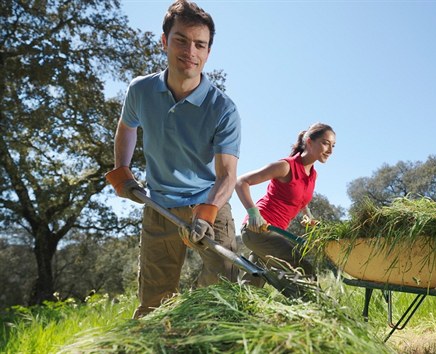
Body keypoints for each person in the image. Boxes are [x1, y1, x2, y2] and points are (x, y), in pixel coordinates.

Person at [105, 0, 241, 319]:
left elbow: (227, 175)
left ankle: (193, 319)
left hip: (209, 203)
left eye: (200, 44)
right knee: (154, 301)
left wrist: (206, 214)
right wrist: (121, 169)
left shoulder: (223, 109)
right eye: (181, 40)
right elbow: (127, 127)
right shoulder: (141, 90)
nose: (190, 51)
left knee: (223, 289)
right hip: (160, 206)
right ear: (164, 41)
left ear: (208, 52)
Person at [235, 123, 335, 284]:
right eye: (325, 143)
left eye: (333, 146)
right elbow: (241, 182)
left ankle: (234, 307)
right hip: (258, 228)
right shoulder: (285, 166)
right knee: (303, 270)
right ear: (309, 142)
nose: (330, 151)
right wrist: (253, 213)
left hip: (277, 232)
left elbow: (300, 198)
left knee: (254, 282)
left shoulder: (312, 174)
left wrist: (307, 217)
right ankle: (312, 307)